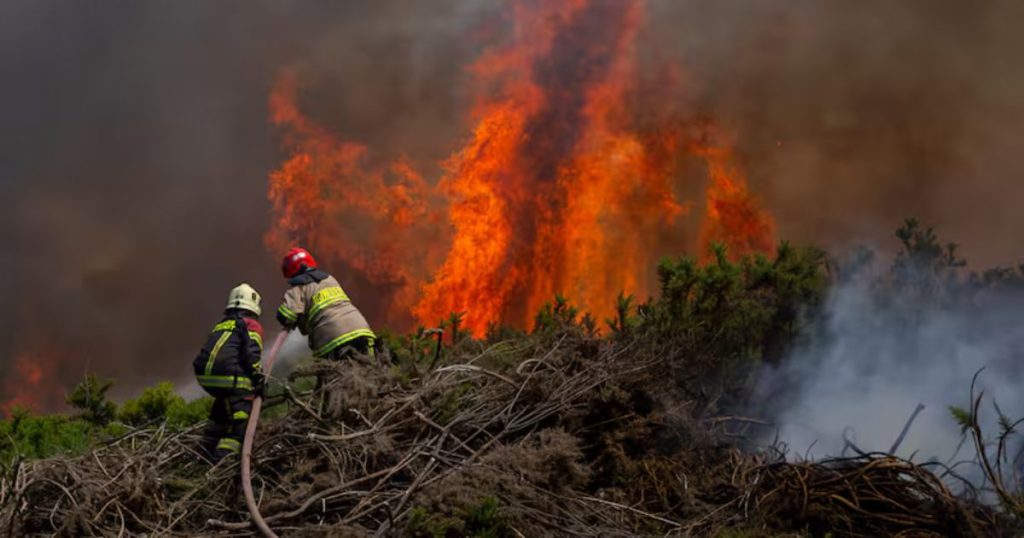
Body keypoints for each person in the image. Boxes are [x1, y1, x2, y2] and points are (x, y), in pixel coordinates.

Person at [192, 283, 265, 463]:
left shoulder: (222, 325)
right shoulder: (251, 325)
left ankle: (202, 455)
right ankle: (221, 465)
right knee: (241, 426)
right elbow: (251, 356)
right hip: (228, 378)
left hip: (206, 377)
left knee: (222, 415)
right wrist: (259, 380)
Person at [275, 247, 375, 359]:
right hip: (362, 330)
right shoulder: (330, 279)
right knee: (371, 370)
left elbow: (286, 316)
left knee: (335, 375)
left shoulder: (297, 290)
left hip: (332, 340)